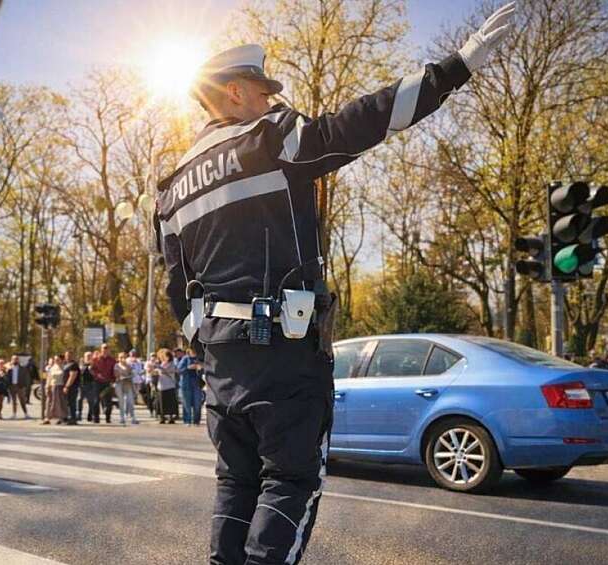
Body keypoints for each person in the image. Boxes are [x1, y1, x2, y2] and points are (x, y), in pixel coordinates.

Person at [154, 7, 516, 561]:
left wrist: (204, 343)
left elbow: (177, 287)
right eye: (261, 91)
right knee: (291, 483)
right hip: (283, 352)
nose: (271, 101)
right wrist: (457, 67)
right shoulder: (269, 139)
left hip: (223, 364)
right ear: (232, 94)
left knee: (235, 485)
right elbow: (363, 121)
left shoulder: (171, 186)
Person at [89, 344, 117, 423]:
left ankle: (108, 417)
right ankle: (96, 418)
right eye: (104, 348)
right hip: (97, 382)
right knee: (96, 400)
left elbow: (114, 371)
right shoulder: (95, 359)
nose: (105, 350)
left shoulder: (112, 360)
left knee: (108, 402)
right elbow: (91, 369)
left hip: (108, 382)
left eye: (107, 348)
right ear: (101, 349)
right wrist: (96, 375)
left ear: (109, 350)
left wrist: (113, 381)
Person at [178, 348, 204, 425]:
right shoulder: (185, 358)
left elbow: (206, 370)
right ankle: (187, 420)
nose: (193, 351)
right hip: (186, 384)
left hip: (197, 384)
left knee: (197, 403)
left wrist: (200, 368)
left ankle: (196, 421)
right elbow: (179, 369)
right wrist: (188, 367)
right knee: (186, 403)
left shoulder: (199, 359)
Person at [153, 348, 179, 424]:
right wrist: (155, 370)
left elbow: (169, 371)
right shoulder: (162, 363)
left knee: (170, 402)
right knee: (162, 402)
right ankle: (162, 417)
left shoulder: (172, 364)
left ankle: (171, 417)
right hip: (161, 385)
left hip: (170, 385)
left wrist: (159, 368)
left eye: (164, 356)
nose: (163, 357)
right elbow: (157, 372)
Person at [114, 352, 138, 425]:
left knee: (130, 401)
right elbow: (116, 375)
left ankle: (133, 417)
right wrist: (122, 376)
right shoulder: (116, 365)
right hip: (119, 384)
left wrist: (130, 375)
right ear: (118, 358)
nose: (122, 359)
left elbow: (132, 374)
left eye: (124, 357)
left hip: (128, 384)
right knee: (121, 401)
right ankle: (122, 417)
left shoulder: (129, 365)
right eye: (121, 357)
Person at [42, 355, 68, 425]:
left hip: (60, 387)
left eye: (58, 359)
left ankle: (61, 418)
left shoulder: (64, 368)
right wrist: (47, 387)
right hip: (52, 386)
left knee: (60, 403)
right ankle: (47, 418)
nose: (56, 360)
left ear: (62, 360)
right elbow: (49, 378)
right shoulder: (52, 368)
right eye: (55, 359)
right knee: (49, 402)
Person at [131, 349, 154, 418]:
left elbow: (142, 371)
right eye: (132, 354)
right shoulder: (128, 361)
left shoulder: (139, 362)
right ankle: (131, 405)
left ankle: (151, 408)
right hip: (131, 380)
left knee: (139, 393)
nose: (133, 355)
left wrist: (142, 377)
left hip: (139, 380)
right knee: (132, 393)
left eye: (134, 354)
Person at [62, 352, 81, 425]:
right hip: (66, 386)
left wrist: (67, 386)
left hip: (72, 387)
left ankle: (73, 419)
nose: (68, 357)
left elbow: (72, 376)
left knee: (71, 403)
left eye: (69, 356)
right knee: (66, 403)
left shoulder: (74, 365)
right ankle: (65, 418)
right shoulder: (65, 364)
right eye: (66, 356)